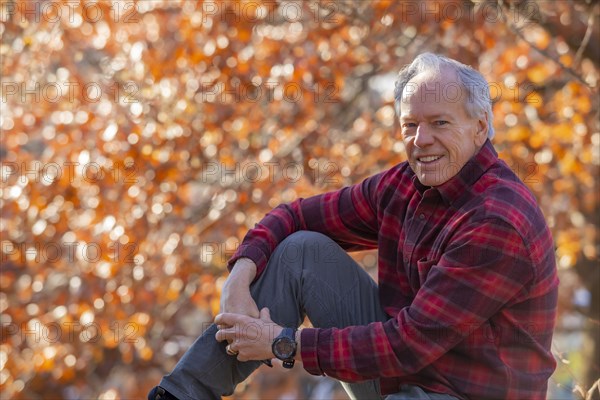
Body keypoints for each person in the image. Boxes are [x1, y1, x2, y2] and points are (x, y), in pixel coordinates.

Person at [148, 53, 559, 400]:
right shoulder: (404, 185)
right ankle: (180, 395)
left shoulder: (496, 220)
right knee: (300, 251)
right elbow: (294, 215)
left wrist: (281, 342)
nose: (421, 140)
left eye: (440, 123)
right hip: (400, 376)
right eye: (410, 125)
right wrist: (237, 278)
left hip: (461, 392)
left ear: (481, 126)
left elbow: (409, 343)